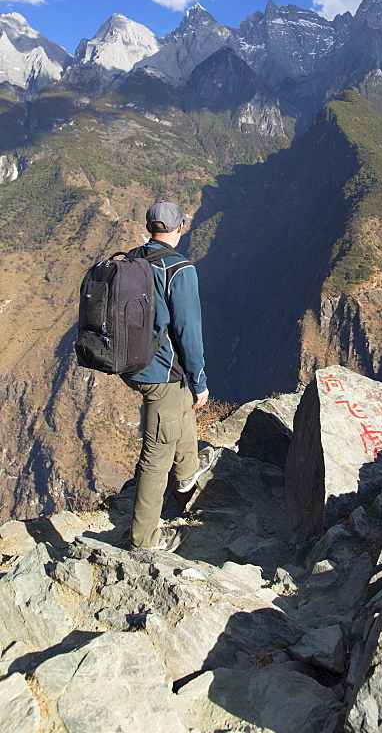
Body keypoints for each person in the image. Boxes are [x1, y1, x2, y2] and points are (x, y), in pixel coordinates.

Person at [122, 200, 214, 553]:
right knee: (155, 454)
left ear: (149, 228)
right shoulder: (179, 269)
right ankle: (144, 540)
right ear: (180, 228)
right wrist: (200, 380)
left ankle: (187, 471)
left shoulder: (132, 259)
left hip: (131, 363)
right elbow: (189, 331)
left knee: (178, 403)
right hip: (160, 370)